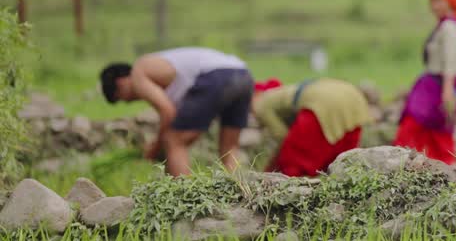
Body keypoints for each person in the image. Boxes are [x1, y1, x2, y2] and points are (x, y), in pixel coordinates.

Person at [99, 47, 254, 176]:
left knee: (172, 140)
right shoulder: (166, 77)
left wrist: (155, 148)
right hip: (242, 74)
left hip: (215, 75)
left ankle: (184, 194)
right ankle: (238, 191)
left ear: (120, 83)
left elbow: (168, 113)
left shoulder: (138, 73)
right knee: (229, 146)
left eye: (121, 98)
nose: (127, 101)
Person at [393, 0, 456, 164]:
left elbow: (451, 61)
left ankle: (404, 164)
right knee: (426, 132)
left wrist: (447, 93)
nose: (434, 6)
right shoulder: (446, 25)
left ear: (450, 2)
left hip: (438, 88)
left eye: (439, 1)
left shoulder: (449, 28)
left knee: (418, 129)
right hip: (432, 87)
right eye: (432, 1)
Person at [252, 78, 370, 176]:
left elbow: (281, 136)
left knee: (292, 164)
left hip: (322, 103)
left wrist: (267, 170)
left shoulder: (260, 105)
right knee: (344, 164)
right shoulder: (283, 92)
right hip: (353, 97)